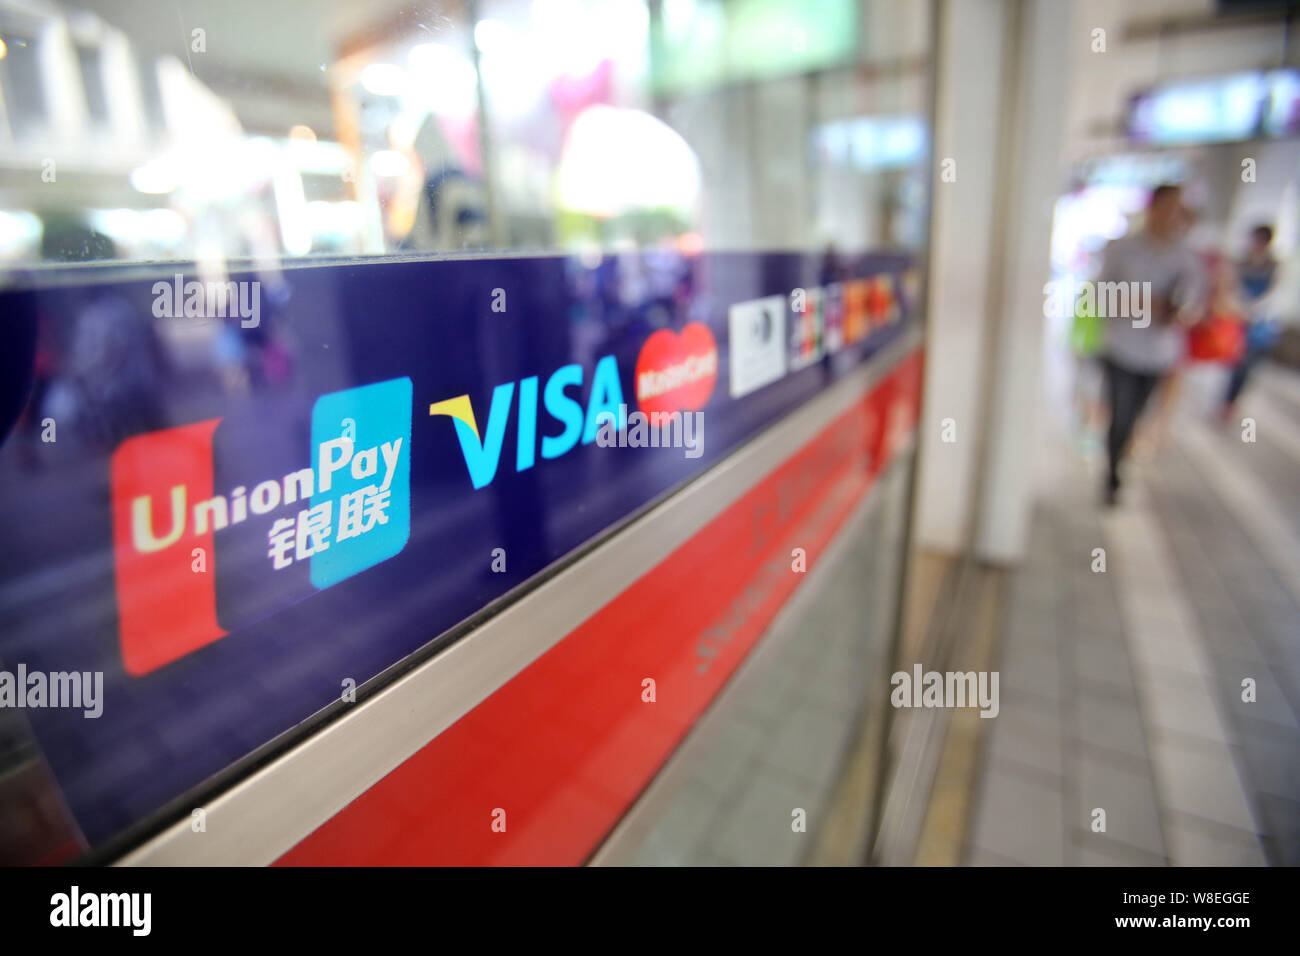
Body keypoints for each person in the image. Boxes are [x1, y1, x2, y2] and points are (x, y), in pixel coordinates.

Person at [1097, 183, 1205, 506]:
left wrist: (1180, 313)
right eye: (1167, 206)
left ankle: (1123, 457)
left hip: (1159, 353)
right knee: (1120, 414)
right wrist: (1144, 305)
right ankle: (1112, 472)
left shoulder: (1186, 257)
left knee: (1137, 415)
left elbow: (1194, 305)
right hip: (1121, 347)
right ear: (1153, 207)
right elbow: (1098, 297)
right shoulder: (1123, 250)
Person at [1221, 224, 1279, 418]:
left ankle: (1230, 402)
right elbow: (1230, 286)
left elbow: (1273, 294)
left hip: (1257, 324)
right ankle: (1225, 401)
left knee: (1245, 365)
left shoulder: (1273, 266)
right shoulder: (1241, 262)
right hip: (1237, 317)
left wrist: (1253, 309)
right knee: (1231, 360)